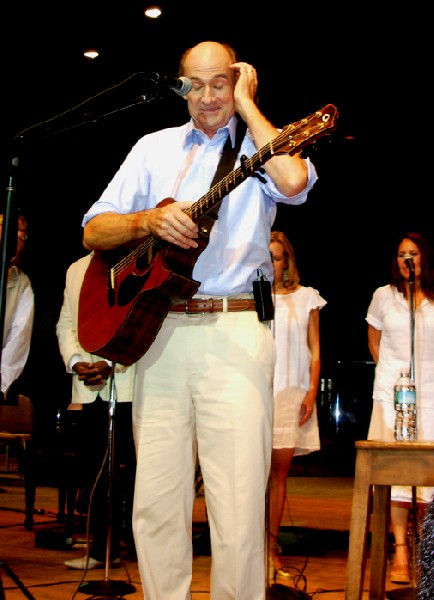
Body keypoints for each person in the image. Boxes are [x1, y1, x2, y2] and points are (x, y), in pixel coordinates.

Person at [80, 40, 318, 599]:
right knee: (156, 500)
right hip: (160, 331)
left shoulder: (259, 146)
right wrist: (146, 221)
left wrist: (250, 106)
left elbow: (293, 183)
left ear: (237, 82)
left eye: (220, 83)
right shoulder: (153, 148)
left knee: (237, 504)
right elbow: (94, 230)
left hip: (235, 328)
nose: (208, 97)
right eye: (195, 85)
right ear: (180, 87)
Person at [56, 252, 136, 569]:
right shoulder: (76, 269)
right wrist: (77, 362)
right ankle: (102, 549)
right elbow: (66, 322)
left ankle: (133, 543)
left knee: (130, 471)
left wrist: (111, 363)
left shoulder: (137, 260)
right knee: (95, 470)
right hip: (88, 385)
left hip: (128, 385)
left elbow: (140, 321)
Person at [366, 231, 434, 585]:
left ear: (424, 257)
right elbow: (374, 338)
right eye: (401, 254)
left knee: (428, 478)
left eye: (413, 253)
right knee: (394, 473)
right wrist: (389, 371)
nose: (407, 259)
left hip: (432, 394)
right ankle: (401, 551)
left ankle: (426, 550)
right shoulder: (384, 296)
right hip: (392, 394)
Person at [267, 231, 326, 580]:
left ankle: (271, 549)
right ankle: (248, 547)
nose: (272, 264)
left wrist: (312, 391)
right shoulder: (254, 297)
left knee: (278, 475)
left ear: (286, 261)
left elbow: (315, 350)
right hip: (258, 393)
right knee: (251, 475)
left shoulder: (307, 298)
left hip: (292, 392)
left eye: (276, 258)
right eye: (267, 258)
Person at [0, 212, 34, 403]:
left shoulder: (21, 283)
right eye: (14, 230)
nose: (19, 236)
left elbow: (18, 341)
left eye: (23, 233)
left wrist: (1, 385)